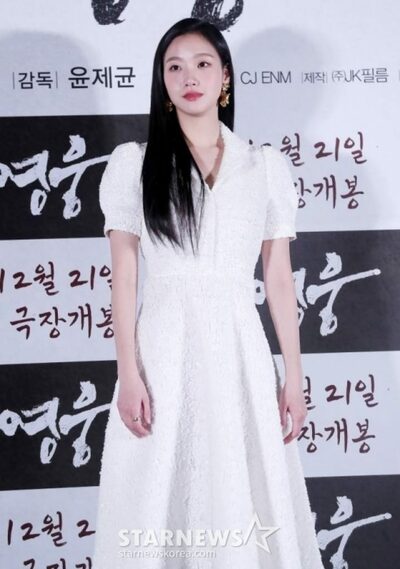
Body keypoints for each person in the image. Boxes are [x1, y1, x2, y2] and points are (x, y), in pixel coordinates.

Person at [92, 16, 324, 569]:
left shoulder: (264, 168)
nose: (188, 77)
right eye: (174, 67)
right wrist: (128, 372)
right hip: (163, 347)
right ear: (162, 82)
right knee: (157, 490)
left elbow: (279, 278)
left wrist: (294, 375)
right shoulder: (134, 165)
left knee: (242, 482)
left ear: (224, 77)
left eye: (202, 64)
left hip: (240, 349)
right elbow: (124, 276)